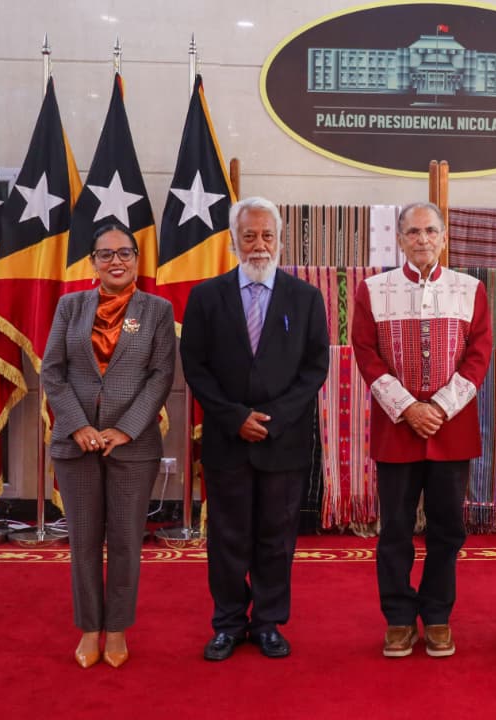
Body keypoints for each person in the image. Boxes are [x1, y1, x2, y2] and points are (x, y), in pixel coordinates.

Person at [180, 196, 329, 661]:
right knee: (227, 537)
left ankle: (267, 623)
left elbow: (315, 368)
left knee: (276, 537)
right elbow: (195, 366)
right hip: (227, 439)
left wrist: (275, 419)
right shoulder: (206, 296)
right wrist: (234, 417)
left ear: (280, 240)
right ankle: (228, 623)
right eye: (249, 235)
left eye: (267, 235)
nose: (259, 244)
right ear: (233, 241)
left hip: (284, 440)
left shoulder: (306, 298)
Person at [350, 201, 492, 658]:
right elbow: (366, 352)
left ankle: (436, 615)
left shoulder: (470, 289)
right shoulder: (373, 289)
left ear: (444, 237)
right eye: (413, 232)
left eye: (431, 231)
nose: (422, 239)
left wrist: (441, 408)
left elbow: (479, 355)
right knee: (395, 528)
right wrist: (409, 407)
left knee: (447, 529)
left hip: (453, 429)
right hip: (397, 428)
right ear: (399, 239)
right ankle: (397, 617)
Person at [42, 222, 176, 669]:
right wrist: (78, 425)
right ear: (92, 262)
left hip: (132, 447)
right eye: (106, 254)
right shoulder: (70, 306)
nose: (115, 261)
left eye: (124, 253)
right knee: (83, 540)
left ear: (136, 259)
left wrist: (126, 429)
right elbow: (52, 372)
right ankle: (89, 629)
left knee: (124, 541)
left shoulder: (157, 310)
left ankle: (116, 629)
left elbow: (161, 376)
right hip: (75, 444)